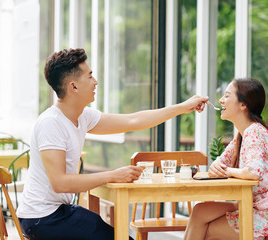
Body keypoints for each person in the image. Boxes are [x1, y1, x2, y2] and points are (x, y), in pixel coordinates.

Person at [16, 48, 209, 240]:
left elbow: (133, 121)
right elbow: (60, 183)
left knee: (118, 235)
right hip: (41, 218)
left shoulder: (83, 116)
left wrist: (183, 107)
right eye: (90, 76)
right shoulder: (51, 123)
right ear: (73, 87)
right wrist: (114, 175)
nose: (95, 81)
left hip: (58, 212)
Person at [184, 78, 268, 240]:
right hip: (256, 204)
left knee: (205, 231)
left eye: (227, 96)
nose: (221, 100)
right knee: (200, 211)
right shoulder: (243, 136)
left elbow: (253, 172)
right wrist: (217, 167)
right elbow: (219, 163)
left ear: (243, 105)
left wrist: (226, 171)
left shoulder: (254, 131)